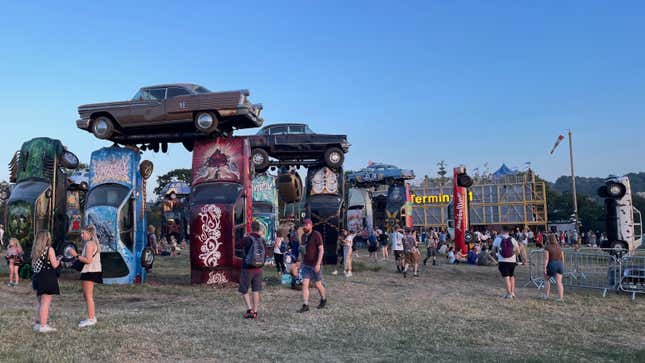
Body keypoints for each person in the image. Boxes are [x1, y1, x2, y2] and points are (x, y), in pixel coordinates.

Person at [69, 225, 103, 328]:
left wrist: (75, 255)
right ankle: (91, 317)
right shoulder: (92, 243)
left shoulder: (89, 244)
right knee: (87, 295)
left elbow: (88, 260)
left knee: (88, 296)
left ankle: (91, 318)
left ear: (89, 234)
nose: (81, 235)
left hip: (90, 271)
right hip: (91, 270)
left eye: (83, 233)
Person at [31, 230, 60, 333]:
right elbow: (55, 265)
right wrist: (59, 260)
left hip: (37, 277)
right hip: (47, 277)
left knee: (39, 302)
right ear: (46, 238)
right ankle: (43, 326)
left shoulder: (35, 250)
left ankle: (38, 323)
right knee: (46, 303)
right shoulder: (49, 250)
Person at [238, 221, 266, 319]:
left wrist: (244, 236)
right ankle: (255, 312)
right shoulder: (262, 240)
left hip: (248, 268)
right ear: (258, 229)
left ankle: (249, 309)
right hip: (259, 268)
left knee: (244, 289)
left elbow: (237, 245)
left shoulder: (247, 239)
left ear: (251, 228)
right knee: (256, 290)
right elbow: (265, 254)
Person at [298, 219, 327, 313]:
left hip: (315, 265)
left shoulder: (316, 235)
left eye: (306, 225)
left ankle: (323, 299)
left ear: (311, 225)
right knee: (305, 284)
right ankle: (305, 305)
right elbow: (302, 251)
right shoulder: (303, 236)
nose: (304, 226)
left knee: (318, 284)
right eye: (304, 225)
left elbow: (321, 250)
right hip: (306, 265)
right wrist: (301, 262)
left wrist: (318, 264)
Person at [492, 226, 519, 299]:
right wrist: (514, 256)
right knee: (512, 276)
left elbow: (493, 250)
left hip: (502, 260)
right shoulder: (513, 239)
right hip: (512, 261)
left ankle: (509, 294)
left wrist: (496, 257)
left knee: (506, 277)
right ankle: (512, 292)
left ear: (502, 230)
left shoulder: (498, 239)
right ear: (509, 231)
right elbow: (518, 251)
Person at [543, 234, 565, 302]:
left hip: (552, 264)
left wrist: (544, 268)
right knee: (559, 282)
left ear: (548, 239)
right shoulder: (559, 247)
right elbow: (563, 258)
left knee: (546, 280)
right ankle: (561, 298)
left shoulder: (547, 247)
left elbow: (546, 259)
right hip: (559, 264)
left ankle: (546, 295)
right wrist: (561, 265)